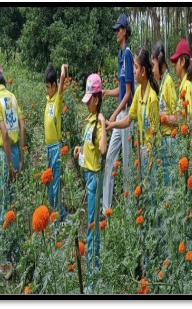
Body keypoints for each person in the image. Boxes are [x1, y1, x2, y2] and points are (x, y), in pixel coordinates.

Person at [0, 61, 26, 279]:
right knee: (14, 203)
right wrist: (21, 160)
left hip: (5, 155)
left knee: (4, 206)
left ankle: (4, 260)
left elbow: (2, 130)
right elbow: (22, 124)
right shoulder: (11, 96)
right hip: (18, 150)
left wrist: (9, 164)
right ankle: (18, 253)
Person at [74, 73, 107, 292]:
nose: (87, 104)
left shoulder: (98, 122)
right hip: (88, 177)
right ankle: (92, 275)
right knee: (89, 227)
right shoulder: (89, 122)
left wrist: (104, 123)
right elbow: (89, 146)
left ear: (96, 99)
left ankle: (94, 280)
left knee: (92, 231)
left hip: (94, 178)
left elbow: (103, 150)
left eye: (89, 100)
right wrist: (79, 148)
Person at [106, 45, 159, 180]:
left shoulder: (152, 98)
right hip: (141, 151)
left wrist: (150, 162)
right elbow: (129, 119)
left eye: (136, 67)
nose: (133, 71)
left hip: (150, 154)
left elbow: (155, 135)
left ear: (143, 70)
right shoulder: (137, 94)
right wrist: (112, 125)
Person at [102, 13, 135, 214]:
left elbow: (129, 93)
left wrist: (113, 115)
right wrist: (107, 92)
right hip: (120, 111)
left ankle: (130, 211)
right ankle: (106, 209)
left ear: (124, 31)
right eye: (115, 30)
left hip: (127, 114)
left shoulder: (129, 54)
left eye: (118, 30)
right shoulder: (120, 55)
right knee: (109, 159)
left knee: (127, 166)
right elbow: (121, 89)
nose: (116, 33)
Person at [151, 40, 178, 185]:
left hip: (170, 142)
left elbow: (178, 118)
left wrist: (162, 116)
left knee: (170, 184)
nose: (152, 70)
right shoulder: (162, 83)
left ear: (159, 61)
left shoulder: (168, 82)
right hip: (164, 140)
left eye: (153, 65)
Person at [44, 62, 68, 221]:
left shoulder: (57, 100)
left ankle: (61, 215)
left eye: (48, 86)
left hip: (56, 148)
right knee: (50, 185)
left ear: (54, 85)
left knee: (55, 185)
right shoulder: (48, 100)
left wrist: (62, 72)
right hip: (48, 148)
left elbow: (61, 84)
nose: (46, 90)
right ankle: (57, 212)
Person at [170, 38, 192, 116]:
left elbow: (189, 120)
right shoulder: (183, 86)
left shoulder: (187, 86)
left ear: (182, 61)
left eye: (176, 61)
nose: (174, 65)